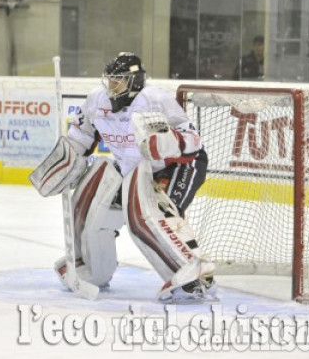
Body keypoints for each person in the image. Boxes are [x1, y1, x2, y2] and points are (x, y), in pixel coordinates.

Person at [31, 52, 215, 303]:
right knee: (90, 205)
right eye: (110, 79)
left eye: (119, 80)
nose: (112, 85)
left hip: (176, 166)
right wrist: (68, 160)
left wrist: (165, 143)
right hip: (133, 169)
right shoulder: (98, 100)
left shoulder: (154, 99)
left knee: (153, 214)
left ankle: (194, 273)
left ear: (135, 81)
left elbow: (193, 141)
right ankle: (93, 268)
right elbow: (82, 137)